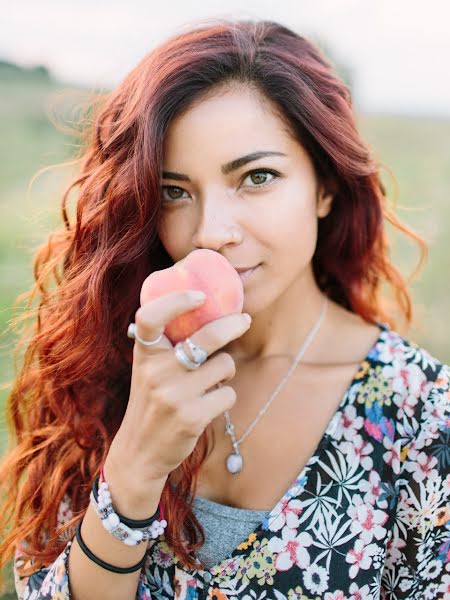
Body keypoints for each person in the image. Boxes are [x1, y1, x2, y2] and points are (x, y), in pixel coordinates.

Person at [0, 17, 449, 600]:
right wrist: (135, 464)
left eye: (257, 177)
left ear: (325, 186)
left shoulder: (423, 419)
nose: (210, 232)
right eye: (174, 192)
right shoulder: (112, 363)